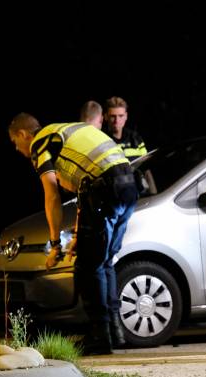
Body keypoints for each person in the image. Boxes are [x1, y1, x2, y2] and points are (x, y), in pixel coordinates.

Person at [8, 113, 137, 354]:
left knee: (88, 267)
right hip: (128, 185)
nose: (17, 148)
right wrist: (78, 235)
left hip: (104, 188)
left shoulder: (41, 142)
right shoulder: (66, 133)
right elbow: (83, 193)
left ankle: (99, 336)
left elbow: (52, 194)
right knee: (104, 261)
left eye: (15, 142)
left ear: (24, 134)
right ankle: (115, 331)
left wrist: (55, 243)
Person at [102, 96, 147, 161]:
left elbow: (145, 162)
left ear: (126, 116)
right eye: (113, 116)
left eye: (121, 116)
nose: (117, 120)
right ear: (106, 117)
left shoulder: (135, 137)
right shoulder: (101, 139)